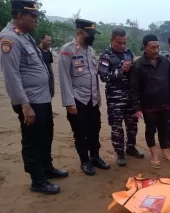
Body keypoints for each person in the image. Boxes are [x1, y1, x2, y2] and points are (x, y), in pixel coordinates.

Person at [0, 0, 68, 195]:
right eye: (33, 17)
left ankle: (47, 168)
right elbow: (12, 75)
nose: (37, 21)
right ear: (20, 16)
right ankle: (37, 180)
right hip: (29, 101)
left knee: (46, 136)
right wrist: (24, 105)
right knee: (32, 140)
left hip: (42, 98)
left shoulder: (26, 37)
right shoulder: (9, 39)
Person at [58, 19, 109, 176]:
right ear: (80, 32)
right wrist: (69, 102)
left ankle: (95, 157)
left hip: (92, 100)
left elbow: (93, 75)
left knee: (95, 129)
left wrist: (98, 97)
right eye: (90, 34)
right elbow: (64, 78)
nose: (92, 37)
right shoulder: (67, 51)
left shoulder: (90, 51)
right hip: (77, 100)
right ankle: (84, 161)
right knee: (80, 132)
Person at [98, 28, 144, 167]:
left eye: (124, 42)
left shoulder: (128, 53)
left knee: (132, 125)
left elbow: (134, 75)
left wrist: (132, 70)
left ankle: (131, 147)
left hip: (130, 97)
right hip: (115, 99)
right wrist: (120, 70)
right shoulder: (105, 56)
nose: (123, 46)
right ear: (112, 40)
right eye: (119, 43)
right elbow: (104, 77)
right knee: (117, 127)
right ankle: (120, 154)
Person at [130, 34, 170, 169]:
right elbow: (134, 88)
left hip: (165, 103)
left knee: (164, 129)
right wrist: (137, 108)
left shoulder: (165, 62)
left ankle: (165, 151)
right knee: (151, 129)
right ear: (145, 48)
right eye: (153, 47)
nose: (156, 50)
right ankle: (154, 154)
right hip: (148, 105)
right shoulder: (138, 65)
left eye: (158, 47)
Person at [38, 33, 58, 116]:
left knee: (50, 93)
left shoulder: (48, 52)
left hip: (49, 76)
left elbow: (49, 65)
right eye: (47, 40)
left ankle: (49, 110)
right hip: (39, 77)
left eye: (50, 40)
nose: (49, 42)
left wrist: (52, 77)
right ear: (42, 40)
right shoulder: (36, 51)